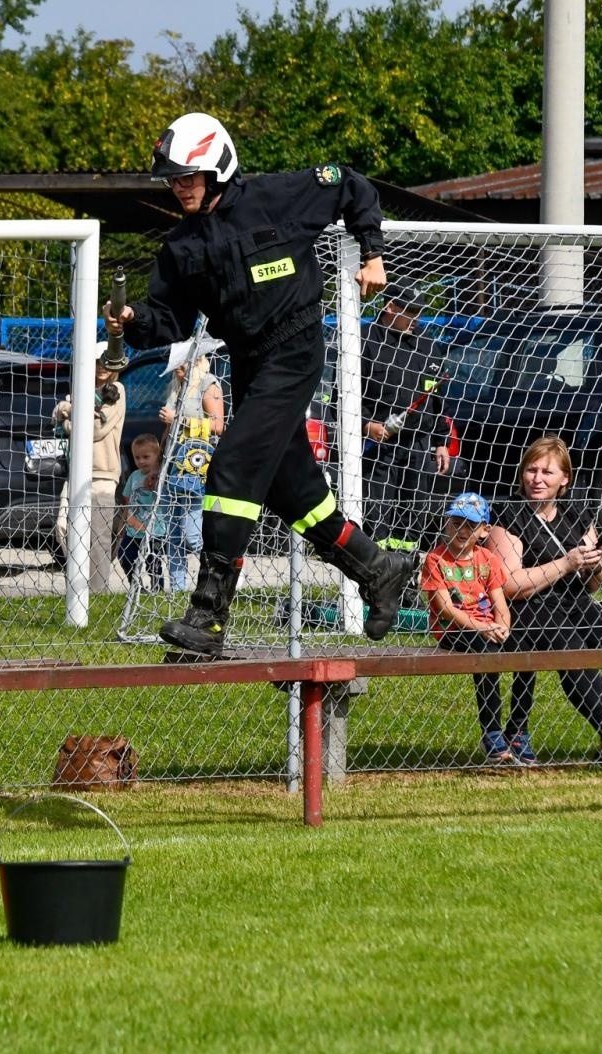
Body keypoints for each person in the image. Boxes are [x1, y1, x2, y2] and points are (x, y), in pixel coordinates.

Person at [104, 110, 412, 656]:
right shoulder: (180, 248)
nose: (179, 189)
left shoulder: (278, 196)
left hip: (295, 350)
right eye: (173, 180)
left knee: (232, 466)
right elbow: (168, 321)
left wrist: (372, 253)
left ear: (219, 168)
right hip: (249, 363)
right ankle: (378, 567)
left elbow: (352, 185)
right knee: (293, 492)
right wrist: (133, 322)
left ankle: (209, 615)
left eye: (188, 177)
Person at [486, 435, 602, 766]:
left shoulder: (576, 513)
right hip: (529, 611)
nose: (537, 479)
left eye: (547, 472)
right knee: (574, 650)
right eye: (531, 470)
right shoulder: (508, 514)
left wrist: (594, 565)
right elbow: (512, 585)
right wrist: (566, 563)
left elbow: (595, 584)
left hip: (575, 604)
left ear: (564, 479)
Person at [420, 493, 520, 763]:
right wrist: (482, 628)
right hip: (453, 631)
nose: (462, 530)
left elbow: (500, 602)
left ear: (485, 530)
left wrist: (503, 627)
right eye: (456, 522)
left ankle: (519, 727)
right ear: (446, 523)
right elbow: (445, 609)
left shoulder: (488, 559)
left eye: (470, 525)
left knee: (527, 651)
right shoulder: (435, 559)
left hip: (487, 626)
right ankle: (492, 732)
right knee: (484, 651)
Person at [360, 282, 452, 550]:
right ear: (390, 307)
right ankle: (372, 574)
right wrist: (368, 426)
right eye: (411, 312)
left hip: (419, 445)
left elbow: (437, 398)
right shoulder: (364, 341)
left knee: (412, 517)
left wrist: (441, 442)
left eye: (419, 312)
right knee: (376, 515)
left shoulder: (426, 344)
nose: (417, 319)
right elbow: (342, 399)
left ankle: (406, 577)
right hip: (378, 447)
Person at [53, 343, 127, 591]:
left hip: (102, 473)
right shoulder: (83, 388)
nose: (102, 367)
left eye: (107, 361)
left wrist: (69, 418)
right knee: (63, 526)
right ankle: (78, 587)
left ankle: (97, 594)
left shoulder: (116, 390)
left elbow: (96, 429)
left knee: (98, 538)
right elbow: (56, 412)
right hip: (76, 471)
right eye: (97, 361)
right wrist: (66, 411)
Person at [159, 348, 225, 590]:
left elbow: (218, 426)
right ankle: (177, 590)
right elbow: (169, 431)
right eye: (174, 362)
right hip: (172, 467)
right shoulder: (176, 387)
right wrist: (158, 464)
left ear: (197, 360)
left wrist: (179, 419)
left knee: (193, 536)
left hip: (196, 469)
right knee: (173, 536)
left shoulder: (208, 384)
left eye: (182, 362)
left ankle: (222, 576)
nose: (177, 367)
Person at [118, 433, 169, 590]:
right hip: (133, 531)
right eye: (137, 457)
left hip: (155, 531)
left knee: (153, 563)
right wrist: (122, 523)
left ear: (157, 455)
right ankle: (136, 587)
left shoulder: (161, 476)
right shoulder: (134, 476)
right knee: (125, 556)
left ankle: (157, 588)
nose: (141, 461)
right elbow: (127, 501)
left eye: (146, 457)